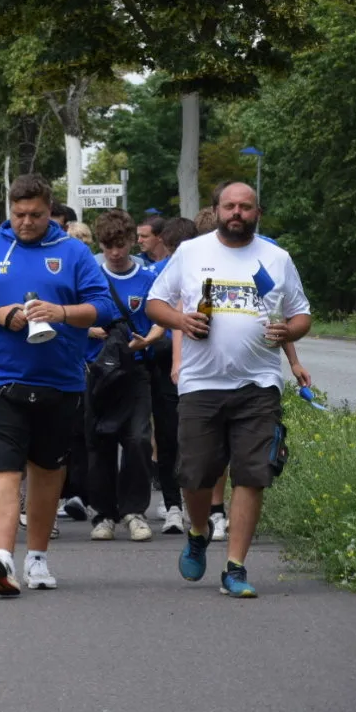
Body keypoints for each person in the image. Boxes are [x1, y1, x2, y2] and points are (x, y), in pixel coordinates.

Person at [0, 175, 111, 596]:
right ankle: (2, 557)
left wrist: (61, 312)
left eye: (35, 215)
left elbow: (104, 307)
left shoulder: (73, 252)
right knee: (2, 467)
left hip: (60, 381)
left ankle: (37, 558)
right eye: (19, 214)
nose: (26, 222)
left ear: (49, 211)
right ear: (9, 210)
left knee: (47, 470)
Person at [146, 182, 312, 598]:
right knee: (195, 474)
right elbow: (155, 303)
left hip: (259, 384)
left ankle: (235, 567)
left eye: (245, 207)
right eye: (230, 206)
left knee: (253, 475)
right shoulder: (191, 252)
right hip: (201, 383)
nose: (237, 212)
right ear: (217, 210)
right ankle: (199, 532)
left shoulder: (276, 258)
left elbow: (301, 315)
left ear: (257, 213)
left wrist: (289, 332)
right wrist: (182, 321)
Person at [83, 209, 165, 542]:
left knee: (138, 440)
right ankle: (104, 514)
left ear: (132, 240)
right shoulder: (89, 275)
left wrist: (149, 339)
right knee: (99, 443)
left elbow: (162, 319)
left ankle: (134, 511)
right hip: (96, 371)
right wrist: (88, 329)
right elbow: (68, 316)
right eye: (108, 246)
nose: (115, 253)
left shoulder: (147, 277)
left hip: (134, 370)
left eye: (120, 245)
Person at [149, 216, 199, 532]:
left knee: (191, 438)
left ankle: (188, 503)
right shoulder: (156, 273)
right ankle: (173, 505)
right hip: (166, 361)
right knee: (169, 436)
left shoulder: (207, 269)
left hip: (198, 362)